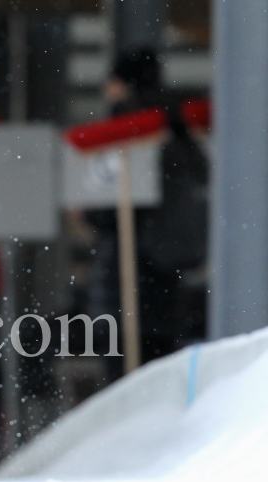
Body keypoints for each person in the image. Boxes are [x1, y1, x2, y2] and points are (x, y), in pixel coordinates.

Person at [84, 48, 209, 380]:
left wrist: (83, 212)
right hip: (169, 277)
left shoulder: (125, 130)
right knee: (158, 380)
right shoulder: (177, 127)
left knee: (123, 385)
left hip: (124, 281)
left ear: (121, 84)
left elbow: (107, 211)